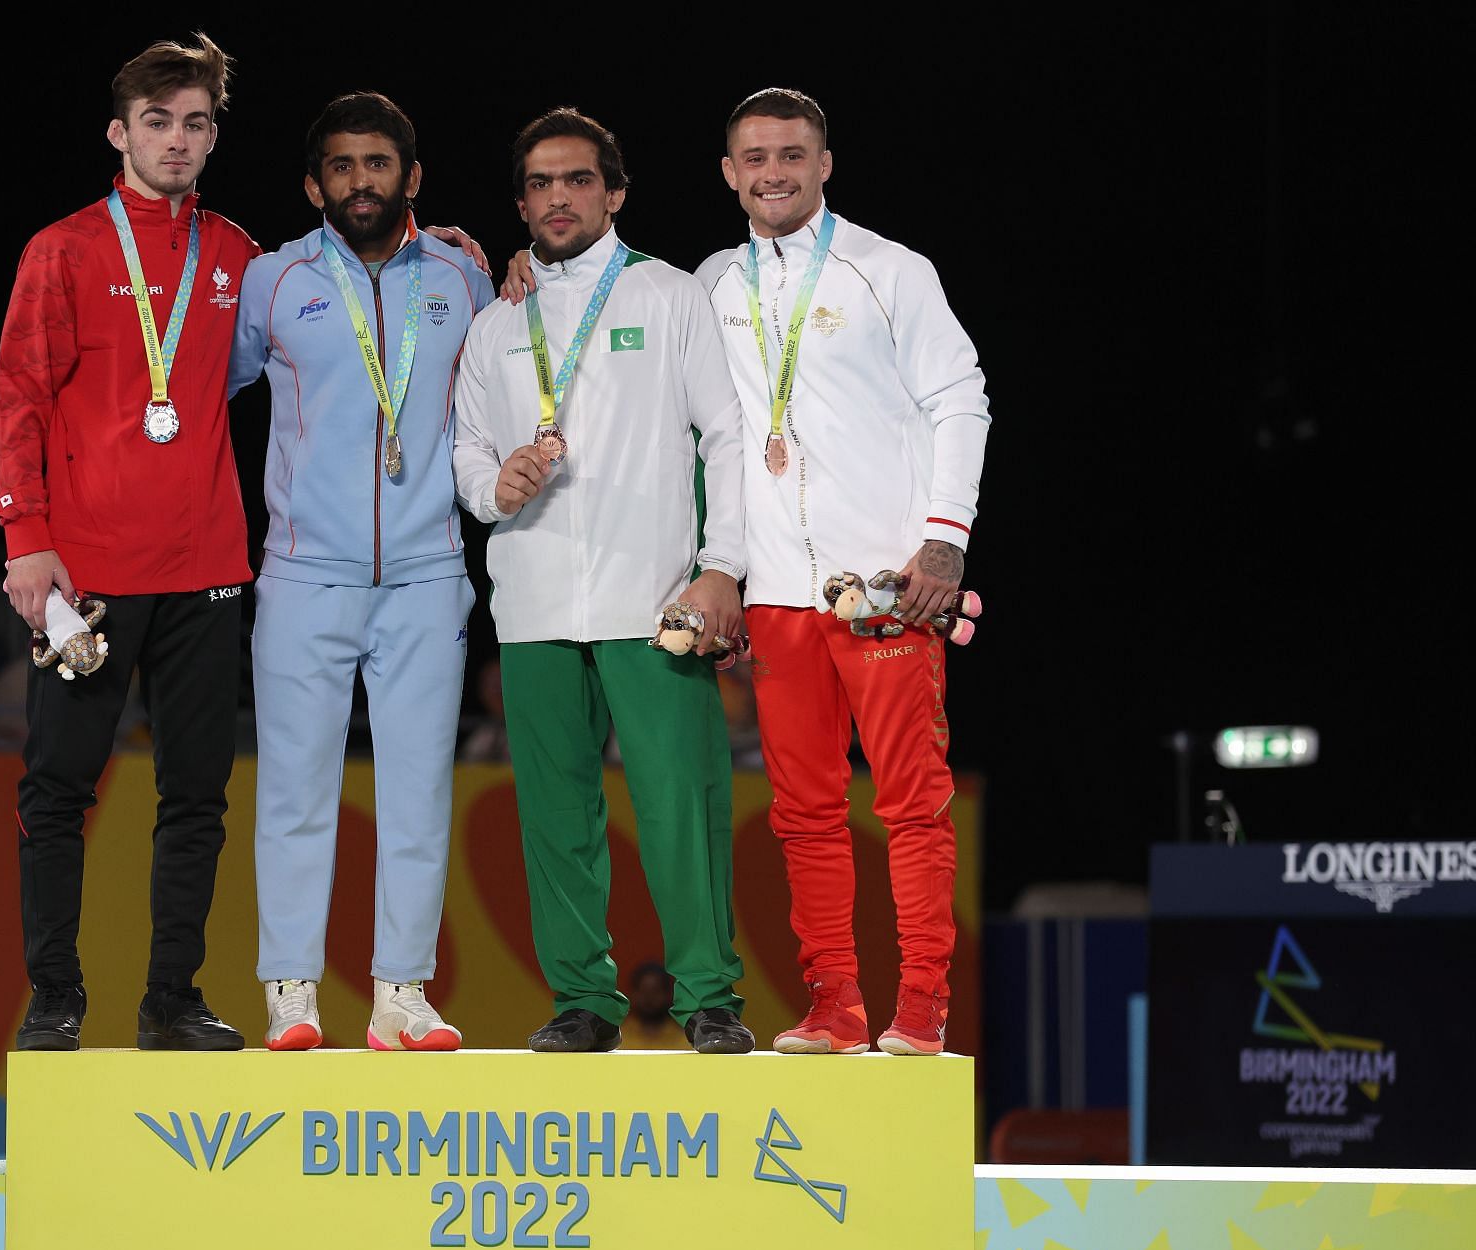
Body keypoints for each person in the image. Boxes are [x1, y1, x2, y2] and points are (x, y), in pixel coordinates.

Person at [453, 108, 755, 1055]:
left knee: (682, 800)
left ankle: (710, 996)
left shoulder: (669, 297)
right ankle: (582, 1000)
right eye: (539, 184)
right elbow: (464, 449)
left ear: (614, 193)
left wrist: (722, 568)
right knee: (554, 812)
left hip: (654, 595)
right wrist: (490, 488)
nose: (557, 198)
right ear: (520, 202)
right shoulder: (497, 319)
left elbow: (730, 435)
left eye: (577, 180)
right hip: (535, 595)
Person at [696, 88, 990, 1055]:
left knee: (911, 800)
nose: (773, 172)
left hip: (885, 587)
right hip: (777, 595)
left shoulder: (888, 271)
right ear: (730, 171)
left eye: (792, 154)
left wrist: (944, 539)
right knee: (803, 813)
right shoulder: (712, 286)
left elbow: (961, 397)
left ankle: (921, 1010)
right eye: (755, 157)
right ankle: (835, 1007)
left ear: (826, 165)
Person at [0, 37, 258, 1053]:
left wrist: (424, 241)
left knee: (196, 796)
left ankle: (171, 998)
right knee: (57, 789)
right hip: (85, 574)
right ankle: (55, 994)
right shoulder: (64, 249)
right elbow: (16, 396)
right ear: (120, 132)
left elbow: (333, 309)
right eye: (157, 122)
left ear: (213, 135)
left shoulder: (236, 253)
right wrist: (26, 538)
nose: (176, 140)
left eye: (194, 124)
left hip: (208, 570)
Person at [228, 93, 494, 1052]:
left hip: (427, 570)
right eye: (340, 167)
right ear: (314, 185)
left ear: (411, 178)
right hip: (304, 573)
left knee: (419, 788)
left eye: (378, 164)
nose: (360, 182)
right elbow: (210, 387)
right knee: (296, 789)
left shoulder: (463, 279)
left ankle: (400, 995)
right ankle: (292, 991)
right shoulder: (274, 279)